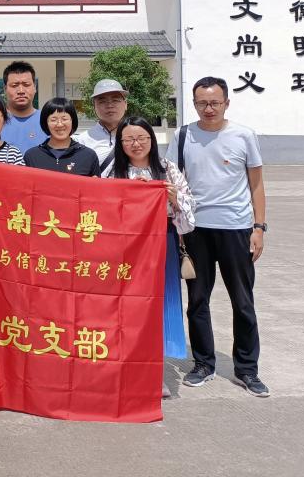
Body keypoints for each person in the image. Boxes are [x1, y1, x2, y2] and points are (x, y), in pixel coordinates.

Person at [168, 76, 269, 397]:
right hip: (195, 230)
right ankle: (203, 364)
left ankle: (247, 369)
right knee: (198, 300)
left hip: (236, 229)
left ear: (226, 102)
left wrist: (259, 227)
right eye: (202, 103)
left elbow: (256, 185)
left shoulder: (243, 135)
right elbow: (172, 181)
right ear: (194, 104)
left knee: (243, 301)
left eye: (214, 102)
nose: (208, 108)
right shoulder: (183, 136)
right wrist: (177, 229)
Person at [104, 115, 195, 399]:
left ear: (152, 140)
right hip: (125, 249)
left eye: (142, 138)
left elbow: (189, 216)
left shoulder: (167, 170)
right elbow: (100, 209)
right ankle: (122, 371)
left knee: (156, 307)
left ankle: (154, 374)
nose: (136, 144)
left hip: (161, 244)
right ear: (121, 143)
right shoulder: (112, 171)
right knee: (125, 309)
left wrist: (173, 198)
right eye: (129, 139)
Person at [23, 98, 100, 176]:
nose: (59, 124)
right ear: (45, 123)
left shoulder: (88, 155)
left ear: (72, 121)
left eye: (64, 119)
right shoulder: (32, 156)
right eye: (53, 120)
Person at [76, 78, 129, 170]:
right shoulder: (81, 141)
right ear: (94, 107)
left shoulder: (142, 138)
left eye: (115, 100)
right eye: (102, 101)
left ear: (125, 104)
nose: (110, 105)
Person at [0, 61, 43, 156]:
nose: (21, 91)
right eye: (14, 86)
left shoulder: (47, 120)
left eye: (26, 85)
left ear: (35, 87)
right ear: (5, 89)